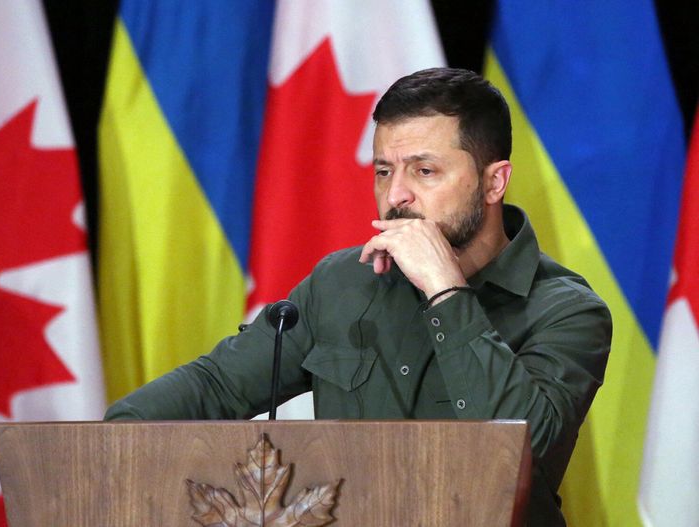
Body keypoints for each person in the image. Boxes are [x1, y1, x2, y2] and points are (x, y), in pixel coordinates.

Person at [105, 67, 611, 526]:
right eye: (384, 171)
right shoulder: (342, 282)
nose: (395, 197)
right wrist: (107, 441)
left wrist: (447, 292)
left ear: (494, 182)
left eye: (425, 171)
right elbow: (216, 386)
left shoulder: (566, 310)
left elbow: (527, 454)